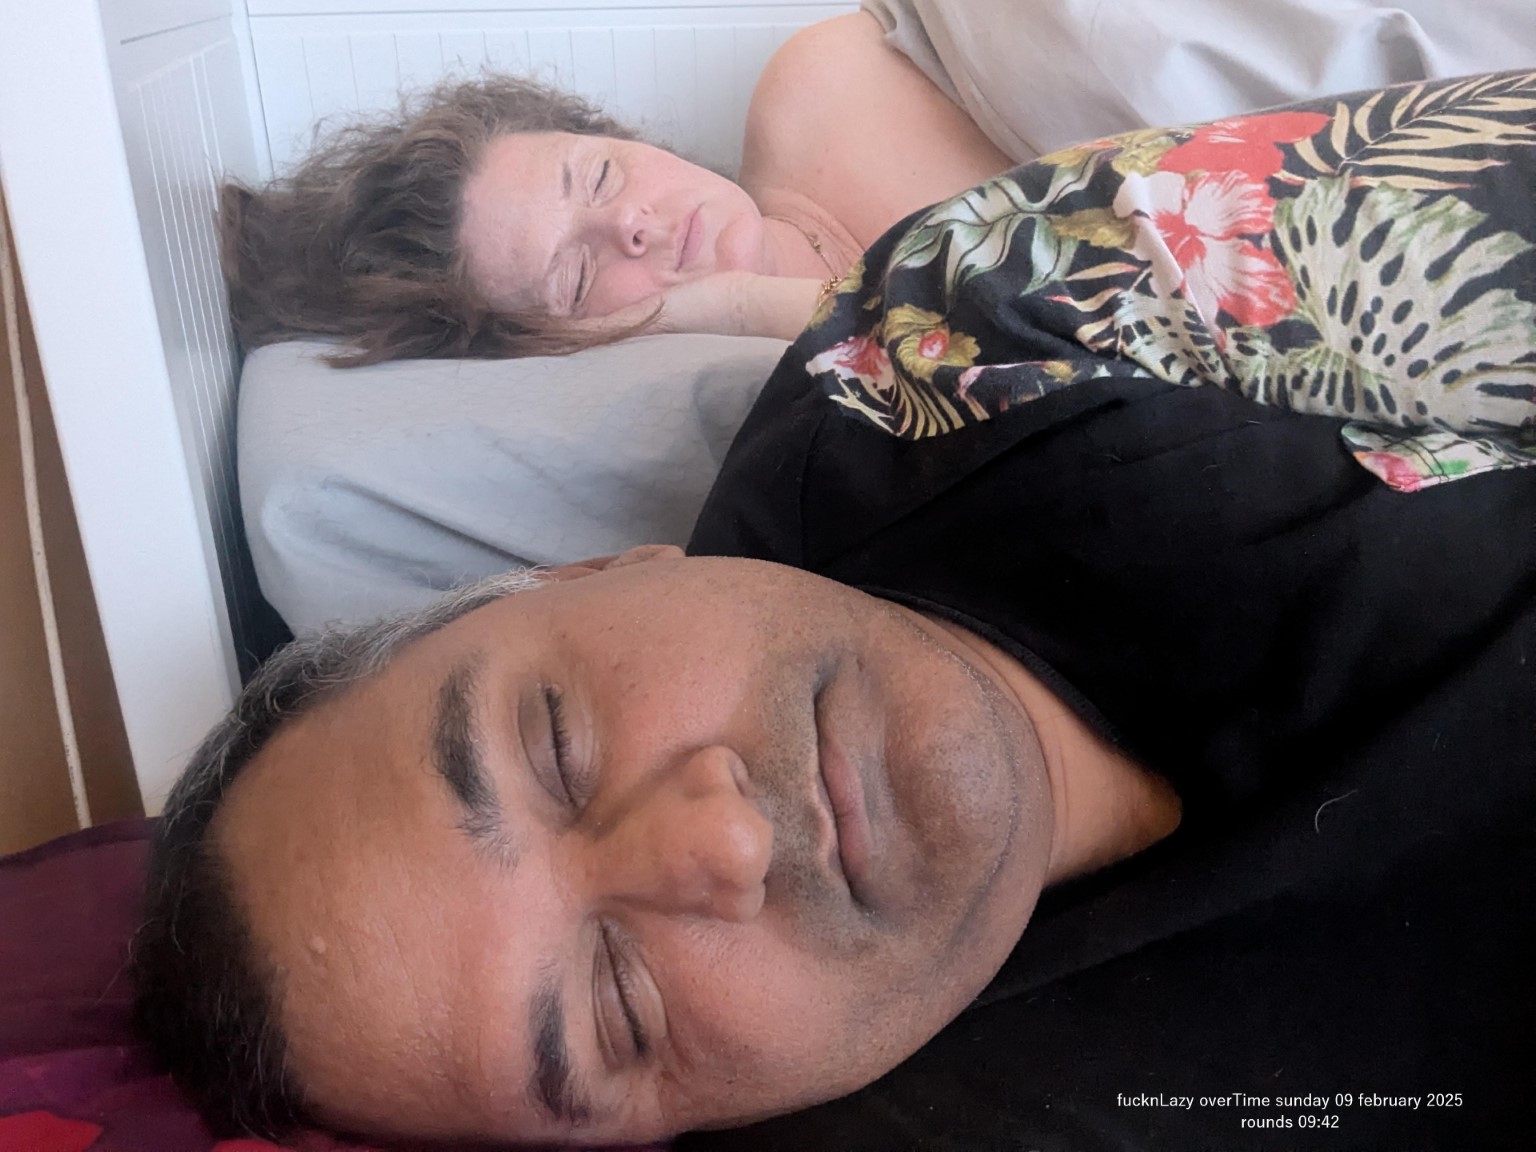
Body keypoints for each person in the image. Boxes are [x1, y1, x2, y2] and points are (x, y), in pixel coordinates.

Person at [135, 70, 1536, 1148]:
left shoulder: (940, 344)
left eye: (556, 742)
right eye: (619, 1010)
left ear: (604, 570)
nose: (727, 837)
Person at [221, 0, 1536, 365]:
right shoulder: (814, 384)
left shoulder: (820, 81)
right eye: (576, 275)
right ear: (558, 349)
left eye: (598, 172)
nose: (635, 223)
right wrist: (761, 314)